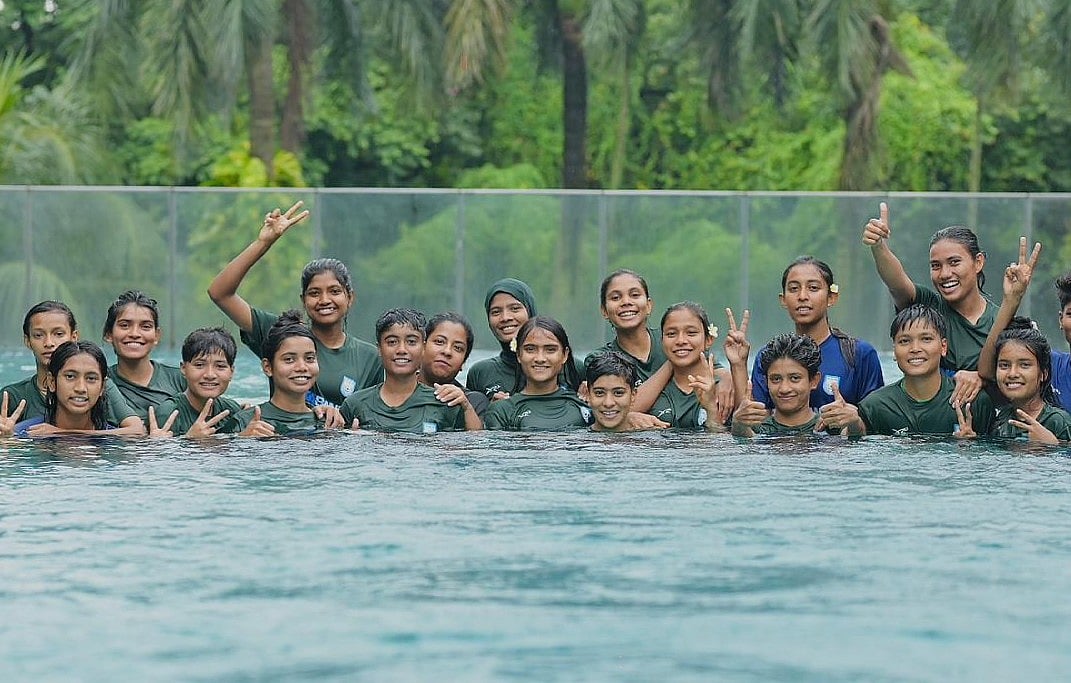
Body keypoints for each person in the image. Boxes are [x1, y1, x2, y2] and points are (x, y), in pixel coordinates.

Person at [208, 200, 382, 409]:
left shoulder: (370, 357)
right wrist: (263, 243)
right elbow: (220, 293)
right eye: (314, 293)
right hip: (284, 438)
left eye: (334, 292)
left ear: (350, 297)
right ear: (303, 300)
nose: (324, 300)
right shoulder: (280, 333)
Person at [863, 202, 996, 406]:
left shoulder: (1002, 321)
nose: (944, 274)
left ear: (978, 262)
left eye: (954, 262)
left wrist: (981, 377)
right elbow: (897, 283)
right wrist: (878, 246)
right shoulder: (928, 308)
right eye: (936, 266)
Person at [750, 257, 883, 409]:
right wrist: (738, 365)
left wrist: (853, 419)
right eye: (794, 289)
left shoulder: (860, 354)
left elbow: (876, 420)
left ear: (831, 297)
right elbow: (756, 420)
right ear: (783, 299)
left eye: (813, 288)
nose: (802, 296)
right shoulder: (769, 356)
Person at [971, 239, 1070, 443]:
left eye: (1023, 365)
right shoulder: (1052, 365)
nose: (1014, 371)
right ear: (1060, 319)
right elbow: (989, 369)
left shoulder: (1058, 421)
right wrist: (1012, 299)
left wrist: (1055, 446)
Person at [1, 301, 145, 435]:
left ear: (74, 337)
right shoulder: (12, 396)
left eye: (58, 334)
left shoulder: (101, 387)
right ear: (27, 341)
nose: (49, 343)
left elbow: (137, 430)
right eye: (38, 335)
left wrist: (63, 433)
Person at [858, 305, 994, 436]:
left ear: (943, 347)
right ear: (894, 350)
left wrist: (972, 447)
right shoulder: (875, 407)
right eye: (904, 341)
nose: (915, 348)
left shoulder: (973, 402)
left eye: (926, 339)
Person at [341, 309, 475, 433]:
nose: (401, 350)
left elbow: (469, 447)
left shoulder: (445, 404)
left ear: (423, 348)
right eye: (392, 342)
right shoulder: (355, 405)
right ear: (379, 349)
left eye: (411, 342)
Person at [483, 317, 591, 430]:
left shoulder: (584, 406)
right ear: (518, 355)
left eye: (550, 349)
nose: (540, 358)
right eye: (530, 349)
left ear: (565, 355)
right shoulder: (502, 411)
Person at [233, 311, 328, 436]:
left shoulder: (327, 421)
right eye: (289, 359)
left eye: (309, 358)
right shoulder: (244, 421)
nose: (302, 367)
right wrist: (243, 440)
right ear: (268, 367)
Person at [2, 341, 118, 436]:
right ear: (51, 382)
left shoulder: (115, 439)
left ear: (102, 387)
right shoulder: (25, 434)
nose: (81, 388)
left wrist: (64, 433)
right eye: (70, 376)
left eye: (91, 378)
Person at [104, 290, 186, 421]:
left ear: (157, 336)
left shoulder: (181, 381)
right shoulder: (98, 382)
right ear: (109, 334)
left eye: (145, 326)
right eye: (125, 325)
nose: (135, 333)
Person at [149, 328, 245, 437]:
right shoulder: (169, 413)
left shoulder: (231, 410)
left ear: (231, 372)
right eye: (199, 365)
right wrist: (190, 440)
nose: (210, 375)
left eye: (220, 366)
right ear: (183, 368)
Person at [644, 302, 723, 431]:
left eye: (691, 333)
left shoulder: (724, 389)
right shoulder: (653, 391)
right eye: (671, 334)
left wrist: (711, 408)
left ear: (708, 340)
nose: (681, 341)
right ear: (662, 341)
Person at [586, 269, 667, 384]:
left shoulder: (673, 341)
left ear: (649, 305)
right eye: (615, 298)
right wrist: (671, 365)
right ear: (604, 310)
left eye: (634, 295)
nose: (626, 302)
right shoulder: (599, 359)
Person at [419, 312, 490, 419]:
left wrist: (466, 408)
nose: (447, 351)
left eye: (458, 348)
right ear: (422, 346)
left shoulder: (474, 402)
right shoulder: (393, 389)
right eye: (439, 341)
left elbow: (477, 435)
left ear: (464, 362)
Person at [585, 350, 640, 432]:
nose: (608, 403)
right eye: (599, 393)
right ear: (588, 395)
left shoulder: (652, 441)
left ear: (633, 395)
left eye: (618, 393)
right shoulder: (571, 442)